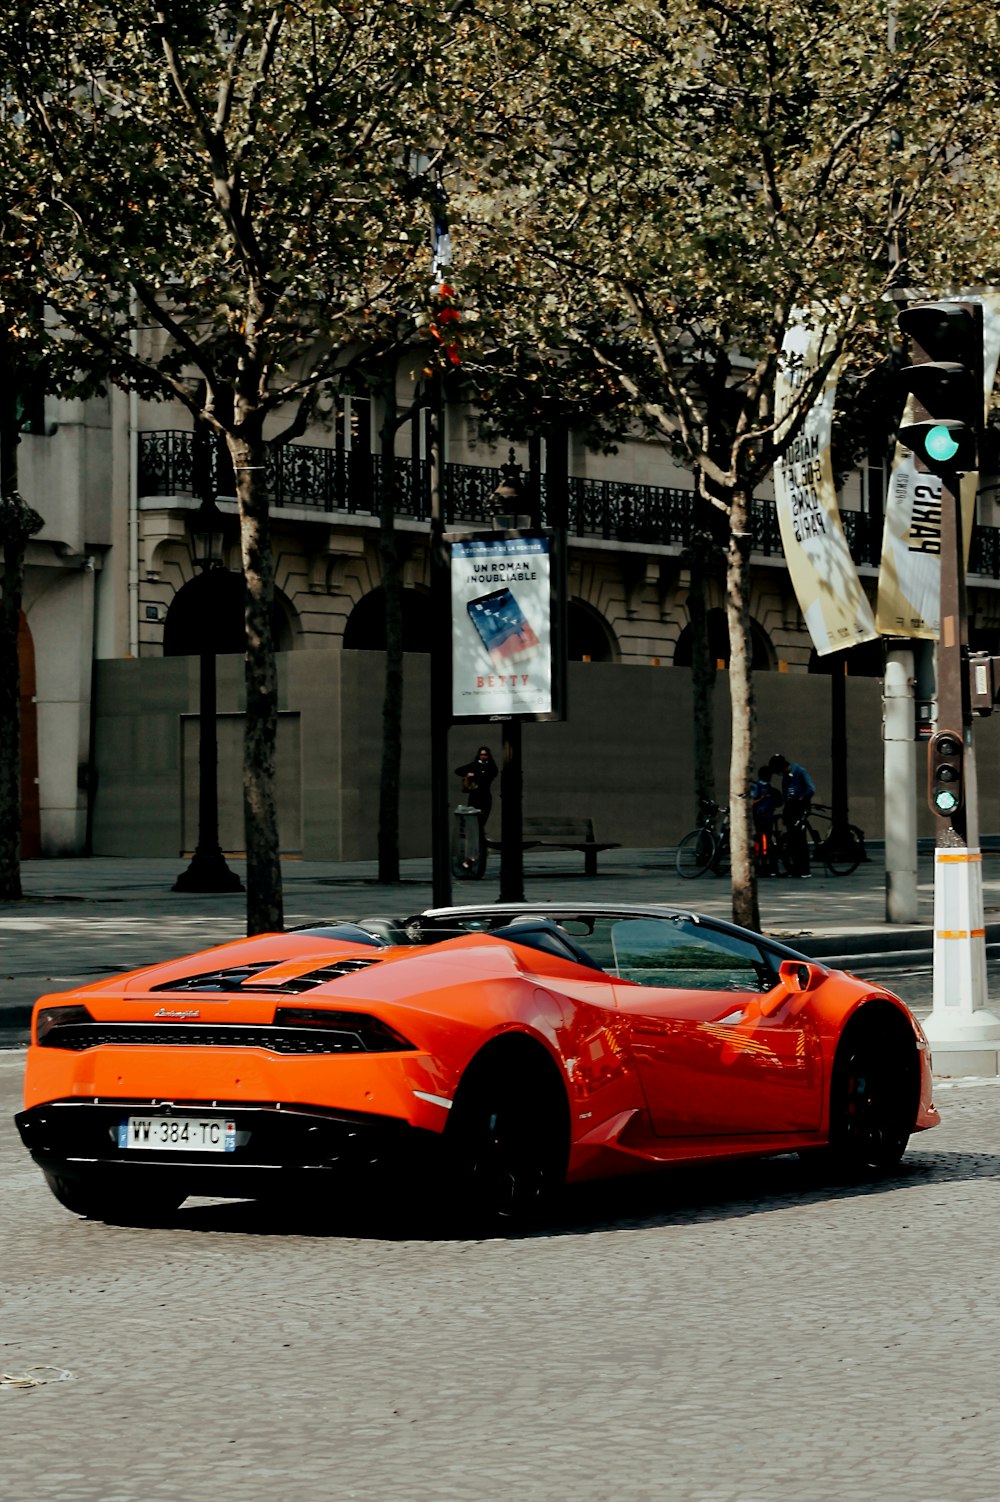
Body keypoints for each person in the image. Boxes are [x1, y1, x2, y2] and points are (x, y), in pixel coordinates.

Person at [769, 753, 816, 877]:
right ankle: (796, 867)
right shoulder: (786, 777)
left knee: (800, 839)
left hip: (800, 808)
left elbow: (811, 788)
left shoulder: (800, 772)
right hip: (791, 809)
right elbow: (786, 798)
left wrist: (802, 798)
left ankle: (804, 869)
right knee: (792, 839)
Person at [453, 746, 499, 828]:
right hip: (475, 795)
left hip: (484, 794)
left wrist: (475, 775)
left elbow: (491, 775)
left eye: (485, 755)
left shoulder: (491, 766)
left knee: (482, 818)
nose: (483, 757)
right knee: (473, 819)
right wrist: (468, 774)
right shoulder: (475, 765)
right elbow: (458, 771)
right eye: (481, 755)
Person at [750, 764, 783, 876]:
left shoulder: (756, 786)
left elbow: (751, 802)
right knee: (766, 840)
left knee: (760, 840)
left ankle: (761, 864)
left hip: (760, 818)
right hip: (767, 817)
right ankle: (768, 865)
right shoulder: (768, 788)